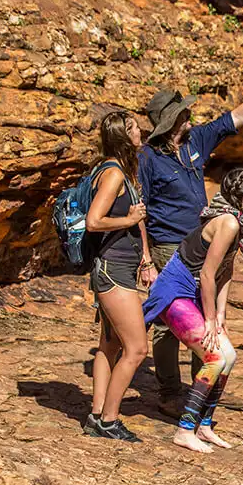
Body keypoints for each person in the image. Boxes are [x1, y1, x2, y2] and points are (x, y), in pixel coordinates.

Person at [139, 68, 243, 418]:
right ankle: (170, 392)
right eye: (185, 113)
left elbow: (237, 117)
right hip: (169, 247)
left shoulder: (196, 140)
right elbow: (140, 209)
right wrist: (146, 258)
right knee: (172, 323)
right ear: (172, 121)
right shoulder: (150, 159)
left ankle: (203, 383)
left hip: (202, 240)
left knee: (202, 319)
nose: (191, 115)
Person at [142, 166, 243, 452]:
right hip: (173, 291)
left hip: (193, 292)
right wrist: (209, 319)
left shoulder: (238, 221)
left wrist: (221, 315)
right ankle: (185, 430)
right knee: (213, 358)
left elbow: (225, 270)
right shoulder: (229, 223)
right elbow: (208, 274)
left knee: (229, 356)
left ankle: (205, 426)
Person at [82, 111, 152, 442]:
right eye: (135, 128)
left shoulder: (117, 170)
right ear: (124, 136)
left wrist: (145, 257)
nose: (141, 132)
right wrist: (128, 220)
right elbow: (93, 222)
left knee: (108, 346)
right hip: (113, 270)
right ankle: (109, 420)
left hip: (116, 267)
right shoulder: (113, 175)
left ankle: (96, 415)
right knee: (137, 349)